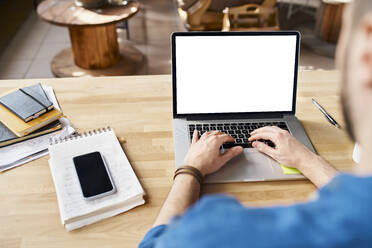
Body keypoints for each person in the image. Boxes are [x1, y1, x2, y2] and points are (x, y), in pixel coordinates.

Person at [139, 1, 372, 247]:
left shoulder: (210, 234)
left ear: (368, 50)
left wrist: (191, 168)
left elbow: (154, 243)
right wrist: (306, 159)